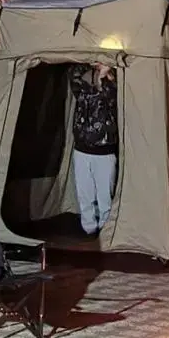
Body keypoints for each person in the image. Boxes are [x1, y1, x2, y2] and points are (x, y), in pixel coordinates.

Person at [70, 62, 119, 235]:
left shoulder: (114, 85)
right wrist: (95, 70)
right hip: (82, 149)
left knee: (105, 195)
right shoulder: (82, 84)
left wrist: (106, 74)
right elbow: (76, 78)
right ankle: (88, 228)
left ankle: (106, 229)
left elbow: (109, 95)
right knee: (84, 193)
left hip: (104, 151)